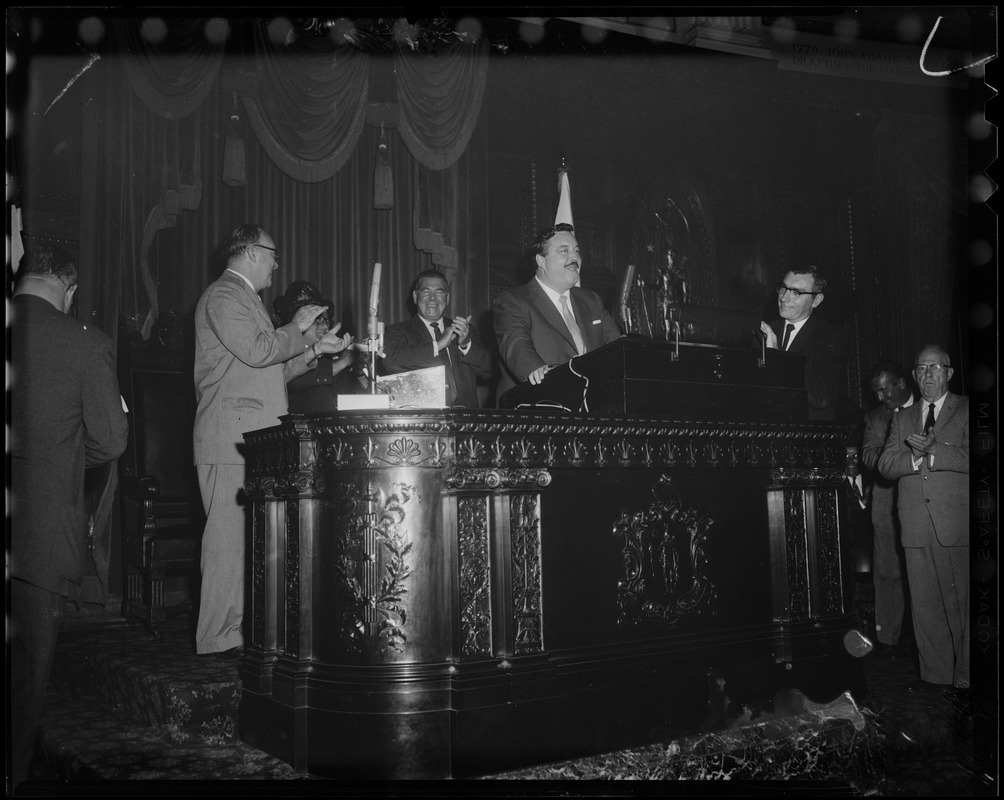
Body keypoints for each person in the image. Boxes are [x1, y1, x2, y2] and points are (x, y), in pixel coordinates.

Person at [193, 225, 352, 658]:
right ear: (250, 252)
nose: (276, 264)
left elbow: (269, 370)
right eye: (273, 254)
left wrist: (313, 353)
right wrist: (298, 326)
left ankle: (235, 635)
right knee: (227, 541)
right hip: (229, 437)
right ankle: (218, 641)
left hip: (251, 433)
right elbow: (262, 351)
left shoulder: (246, 302)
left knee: (245, 541)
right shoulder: (225, 296)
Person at [9, 243, 130, 789]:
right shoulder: (84, 344)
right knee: (23, 680)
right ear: (68, 287)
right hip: (36, 536)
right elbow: (110, 442)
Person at [878, 345, 969, 690]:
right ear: (914, 376)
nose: (928, 374)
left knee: (963, 611)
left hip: (956, 527)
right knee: (927, 612)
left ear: (949, 373)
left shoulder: (967, 410)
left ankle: (967, 680)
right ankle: (936, 682)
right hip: (915, 529)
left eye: (935, 368)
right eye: (921, 369)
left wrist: (935, 452)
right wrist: (915, 459)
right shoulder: (902, 418)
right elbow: (886, 466)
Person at [493, 223, 622, 398]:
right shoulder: (513, 300)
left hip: (592, 407)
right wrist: (540, 372)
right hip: (537, 406)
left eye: (576, 251)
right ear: (541, 260)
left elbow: (618, 348)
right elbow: (517, 348)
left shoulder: (591, 300)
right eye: (564, 251)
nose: (574, 257)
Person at [860, 360, 916, 657]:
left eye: (884, 391)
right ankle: (889, 640)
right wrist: (899, 456)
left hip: (925, 500)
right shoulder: (875, 418)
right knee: (887, 572)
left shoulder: (931, 410)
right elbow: (869, 457)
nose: (880, 398)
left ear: (902, 383)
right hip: (886, 501)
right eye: (876, 393)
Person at [382, 269, 494, 407]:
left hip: (465, 420)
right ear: (415, 297)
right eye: (426, 292)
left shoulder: (464, 330)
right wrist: (438, 345)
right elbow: (390, 361)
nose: (433, 298)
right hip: (423, 421)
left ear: (447, 298)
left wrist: (466, 345)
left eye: (439, 292)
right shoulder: (398, 331)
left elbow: (490, 370)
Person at [760, 265, 847, 421]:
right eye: (783, 288)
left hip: (808, 437)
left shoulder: (830, 336)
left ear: (817, 300)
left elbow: (821, 397)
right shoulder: (765, 331)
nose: (784, 298)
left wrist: (778, 357)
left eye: (796, 292)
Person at [273, 280, 364, 412]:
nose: (325, 326)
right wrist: (344, 361)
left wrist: (359, 370)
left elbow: (355, 397)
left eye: (327, 320)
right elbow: (294, 380)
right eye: (318, 319)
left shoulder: (331, 357)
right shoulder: (284, 351)